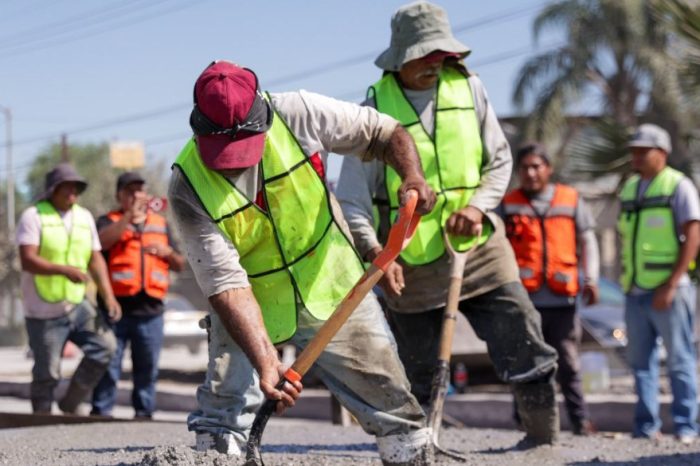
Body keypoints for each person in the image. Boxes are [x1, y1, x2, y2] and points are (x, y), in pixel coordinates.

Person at [168, 60, 437, 465]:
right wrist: (266, 361)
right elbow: (226, 284)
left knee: (389, 397)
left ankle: (409, 453)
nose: (237, 163)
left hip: (330, 278)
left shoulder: (299, 113)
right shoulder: (187, 185)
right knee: (224, 405)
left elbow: (385, 132)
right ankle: (219, 454)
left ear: (261, 117)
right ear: (199, 128)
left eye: (244, 149)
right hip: (249, 295)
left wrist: (412, 176)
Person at [336, 1, 560, 446]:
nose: (437, 63)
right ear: (400, 56)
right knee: (418, 366)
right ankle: (419, 443)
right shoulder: (373, 111)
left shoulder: (469, 89)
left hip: (475, 246)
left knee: (521, 331)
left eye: (443, 54)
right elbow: (353, 199)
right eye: (427, 55)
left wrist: (477, 207)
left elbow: (499, 161)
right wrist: (377, 255)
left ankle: (541, 438)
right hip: (410, 259)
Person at [500, 143, 600, 435]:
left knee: (568, 362)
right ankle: (525, 422)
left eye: (536, 167)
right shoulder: (508, 203)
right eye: (525, 168)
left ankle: (580, 421)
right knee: (525, 361)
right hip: (523, 299)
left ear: (548, 169)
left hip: (562, 299)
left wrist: (591, 280)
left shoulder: (570, 199)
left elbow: (589, 241)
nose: (531, 173)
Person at [618, 124, 700, 443]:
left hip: (670, 290)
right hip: (634, 290)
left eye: (643, 151)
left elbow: (693, 235)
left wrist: (672, 283)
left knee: (679, 360)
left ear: (661, 153)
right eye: (633, 151)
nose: (636, 157)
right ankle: (645, 427)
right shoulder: (629, 189)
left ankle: (686, 427)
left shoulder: (678, 186)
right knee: (640, 364)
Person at [16, 163, 120, 414]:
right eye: (66, 187)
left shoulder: (83, 216)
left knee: (105, 347)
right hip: (43, 309)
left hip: (76, 302)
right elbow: (27, 259)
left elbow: (95, 258)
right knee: (47, 373)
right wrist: (64, 270)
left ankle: (70, 404)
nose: (73, 193)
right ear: (53, 190)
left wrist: (108, 295)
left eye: (76, 188)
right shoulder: (34, 216)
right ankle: (40, 422)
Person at [91, 172, 185, 419]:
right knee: (109, 365)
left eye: (139, 190)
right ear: (119, 195)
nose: (136, 195)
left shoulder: (160, 223)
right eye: (130, 191)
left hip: (151, 311)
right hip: (116, 310)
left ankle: (144, 414)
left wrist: (167, 252)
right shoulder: (107, 220)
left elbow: (180, 264)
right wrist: (128, 217)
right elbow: (101, 244)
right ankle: (102, 413)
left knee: (147, 368)